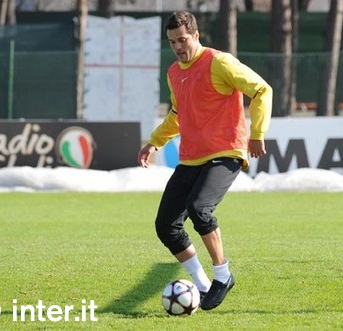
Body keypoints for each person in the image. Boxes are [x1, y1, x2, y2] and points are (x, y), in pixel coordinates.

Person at [137, 11, 272, 311]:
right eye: (172, 42)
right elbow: (177, 114)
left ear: (196, 36)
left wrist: (258, 133)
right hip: (192, 158)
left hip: (226, 152)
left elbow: (262, 90)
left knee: (200, 209)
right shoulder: (174, 72)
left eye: (183, 40)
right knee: (165, 225)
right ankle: (202, 285)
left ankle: (222, 275)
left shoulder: (219, 62)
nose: (178, 47)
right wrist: (154, 142)